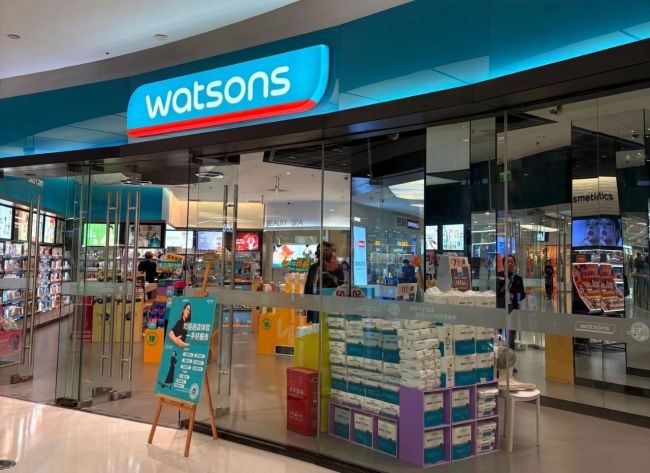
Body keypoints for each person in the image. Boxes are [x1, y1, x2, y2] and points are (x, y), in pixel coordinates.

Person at [304, 242, 344, 323]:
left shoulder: (336, 269)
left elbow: (341, 288)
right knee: (316, 326)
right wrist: (305, 305)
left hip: (330, 306)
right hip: (315, 304)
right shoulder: (313, 268)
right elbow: (308, 288)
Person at [496, 255, 526, 351]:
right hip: (500, 308)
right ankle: (498, 355)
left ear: (514, 264)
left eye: (512, 262)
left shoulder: (518, 279)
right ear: (503, 264)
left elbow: (522, 295)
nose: (510, 264)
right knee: (498, 334)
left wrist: (515, 296)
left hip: (513, 309)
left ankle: (511, 356)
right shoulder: (498, 276)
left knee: (511, 336)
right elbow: (494, 292)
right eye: (507, 262)